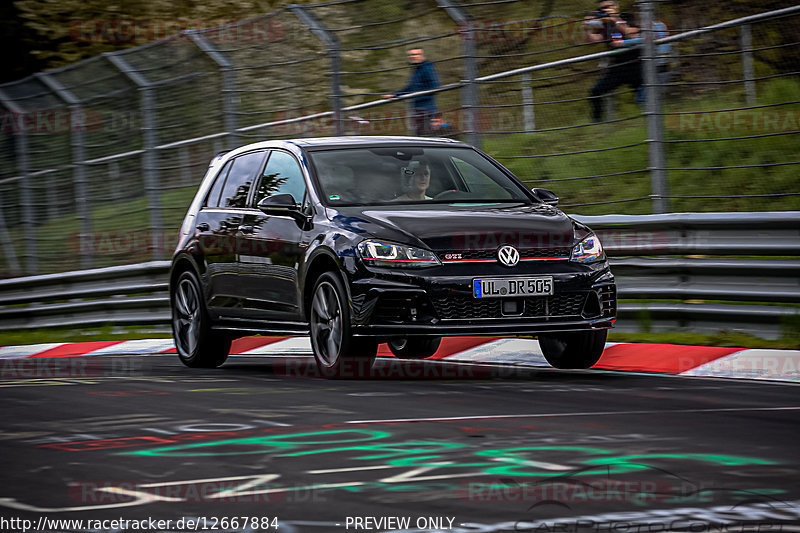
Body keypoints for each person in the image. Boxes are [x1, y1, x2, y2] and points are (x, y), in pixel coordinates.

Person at [584, 1, 643, 122]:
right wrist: (587, 28)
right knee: (596, 91)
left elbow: (634, 35)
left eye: (608, 7)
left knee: (643, 98)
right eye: (602, 8)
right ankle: (597, 121)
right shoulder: (605, 25)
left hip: (636, 65)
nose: (605, 10)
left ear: (616, 6)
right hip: (618, 67)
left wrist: (615, 19)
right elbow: (595, 40)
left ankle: (644, 118)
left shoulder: (627, 17)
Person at [383, 48, 441, 136]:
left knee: (428, 137)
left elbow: (435, 87)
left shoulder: (427, 69)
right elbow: (410, 89)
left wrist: (417, 96)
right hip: (417, 111)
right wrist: (395, 94)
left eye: (416, 54)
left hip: (427, 110)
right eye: (412, 55)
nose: (414, 56)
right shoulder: (416, 71)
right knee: (420, 137)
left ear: (422, 56)